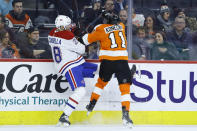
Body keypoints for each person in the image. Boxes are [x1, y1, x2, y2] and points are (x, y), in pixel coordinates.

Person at [80, 11, 136, 128]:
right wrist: (107, 17)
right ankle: (126, 114)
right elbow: (115, 24)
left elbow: (85, 40)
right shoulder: (121, 26)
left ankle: (91, 104)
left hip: (107, 62)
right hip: (121, 61)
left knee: (101, 83)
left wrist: (87, 32)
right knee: (125, 88)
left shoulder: (101, 28)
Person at [48, 15, 98, 127]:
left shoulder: (51, 33)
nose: (70, 26)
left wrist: (74, 34)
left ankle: (126, 74)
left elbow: (65, 36)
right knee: (80, 91)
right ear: (65, 26)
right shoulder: (67, 35)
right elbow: (82, 49)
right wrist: (79, 38)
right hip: (70, 66)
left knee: (100, 69)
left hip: (76, 62)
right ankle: (65, 115)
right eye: (69, 25)